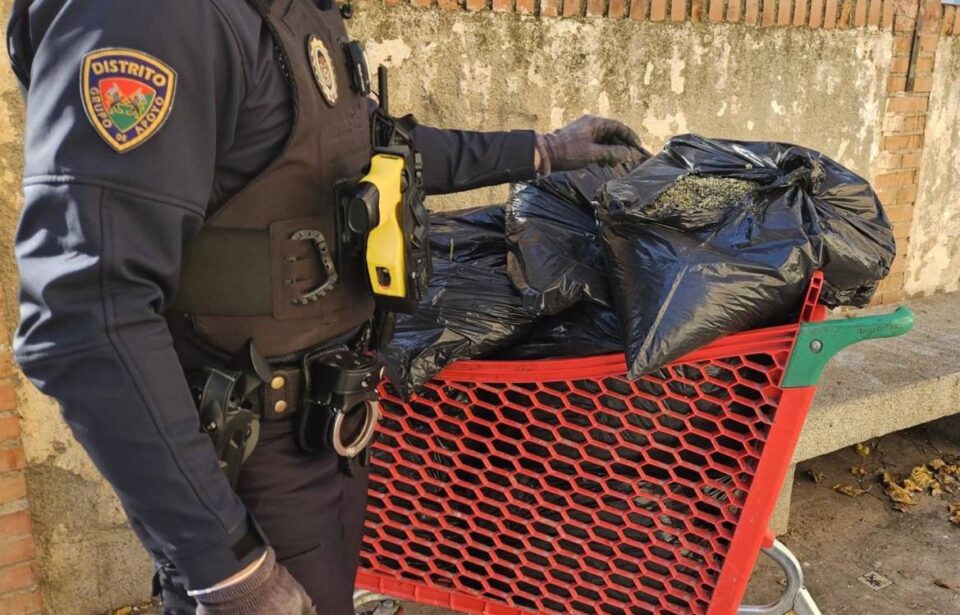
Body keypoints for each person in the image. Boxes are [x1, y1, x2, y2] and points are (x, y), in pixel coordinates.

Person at [6, 0, 644, 613]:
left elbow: (363, 153)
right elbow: (87, 317)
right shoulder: (150, 16)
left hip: (321, 430)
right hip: (244, 460)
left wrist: (543, 151)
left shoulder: (287, 12)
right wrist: (229, 569)